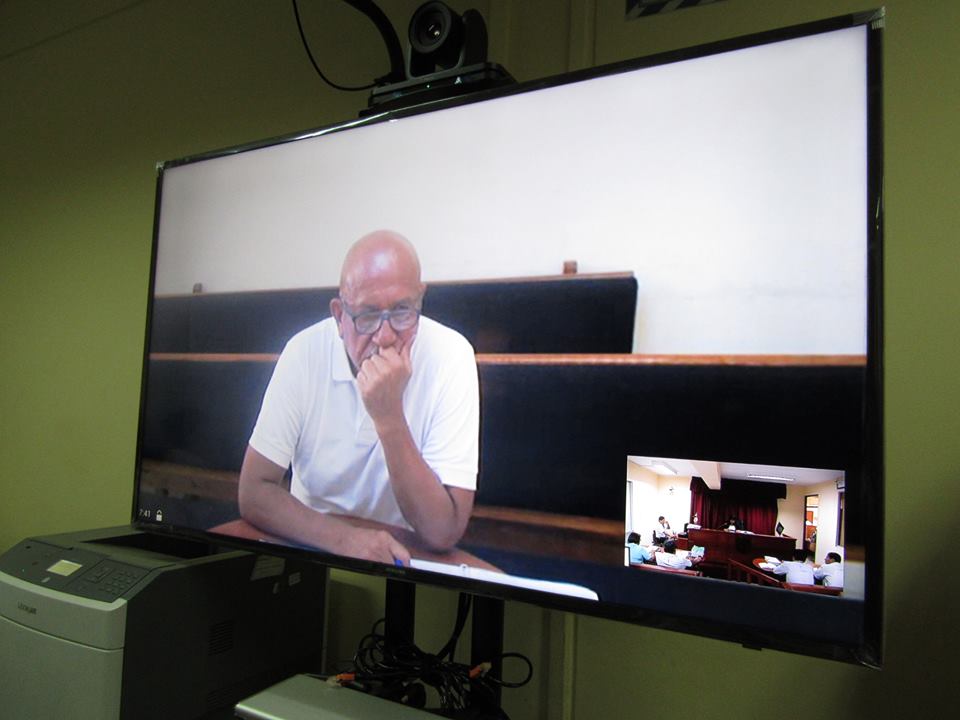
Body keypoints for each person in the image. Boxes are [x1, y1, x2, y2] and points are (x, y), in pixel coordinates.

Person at [238, 230, 480, 567]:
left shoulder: (451, 355)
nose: (385, 337)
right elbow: (253, 491)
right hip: (312, 542)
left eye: (402, 311)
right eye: (367, 315)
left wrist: (389, 417)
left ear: (420, 299)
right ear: (339, 316)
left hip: (408, 556)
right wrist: (345, 540)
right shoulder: (303, 353)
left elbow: (443, 531)